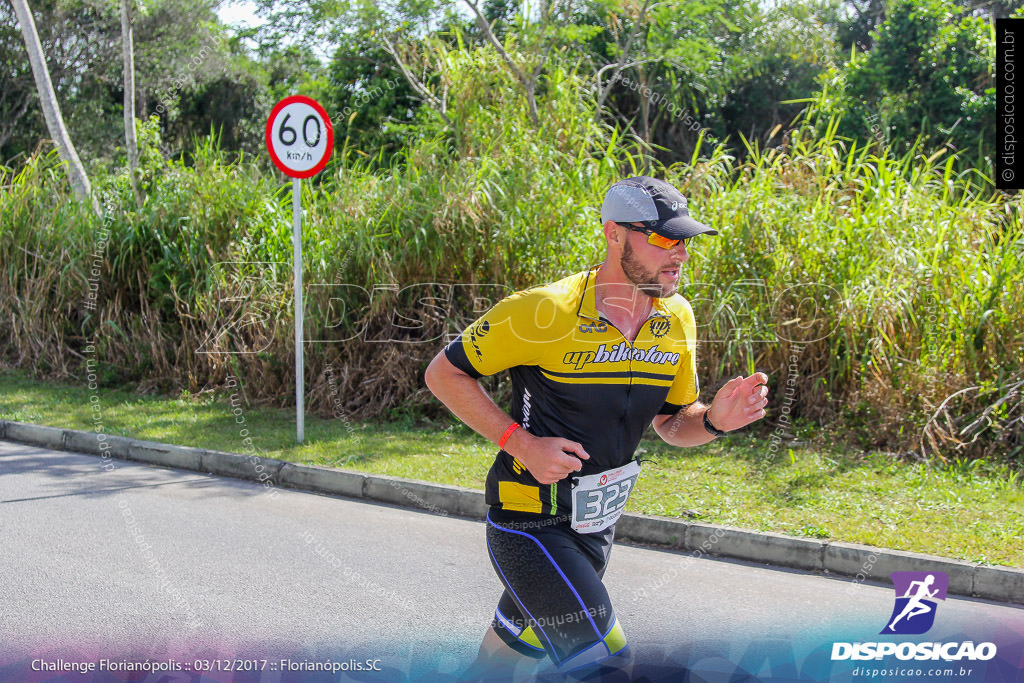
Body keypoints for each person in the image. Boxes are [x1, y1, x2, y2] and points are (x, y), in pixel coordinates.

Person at [424, 176, 769, 681]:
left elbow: (673, 425)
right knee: (607, 663)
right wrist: (519, 443)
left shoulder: (676, 319)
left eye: (685, 241)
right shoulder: (543, 311)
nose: (680, 255)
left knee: (503, 661)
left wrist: (715, 421)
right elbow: (443, 373)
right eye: (663, 239)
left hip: (594, 529)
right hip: (530, 524)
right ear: (613, 234)